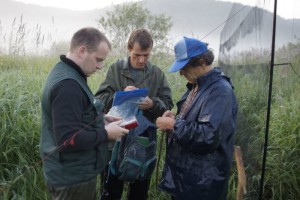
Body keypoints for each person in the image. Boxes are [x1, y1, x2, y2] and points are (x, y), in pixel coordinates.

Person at [40, 27, 129, 200]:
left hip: (70, 174)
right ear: (82, 50)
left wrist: (101, 119)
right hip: (73, 180)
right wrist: (106, 133)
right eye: (98, 59)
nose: (100, 66)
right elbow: (67, 140)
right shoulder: (68, 86)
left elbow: (74, 116)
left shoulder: (66, 72)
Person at [95, 28, 174, 200]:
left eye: (146, 55)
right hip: (115, 141)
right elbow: (99, 99)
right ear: (129, 49)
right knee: (111, 191)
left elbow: (168, 105)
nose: (141, 60)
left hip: (143, 142)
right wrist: (120, 95)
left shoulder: (157, 74)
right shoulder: (115, 69)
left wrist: (153, 104)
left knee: (139, 192)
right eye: (137, 55)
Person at [156, 37, 238, 200]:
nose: (181, 72)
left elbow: (207, 136)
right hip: (187, 179)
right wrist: (176, 117)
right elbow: (193, 120)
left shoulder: (220, 91)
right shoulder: (197, 85)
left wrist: (173, 125)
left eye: (184, 67)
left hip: (202, 184)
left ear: (201, 62)